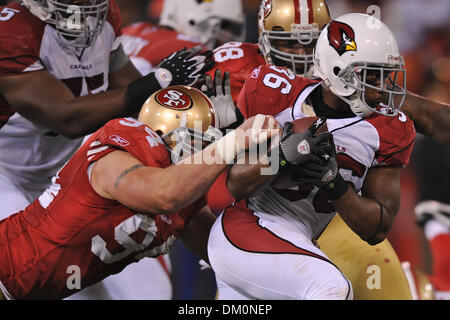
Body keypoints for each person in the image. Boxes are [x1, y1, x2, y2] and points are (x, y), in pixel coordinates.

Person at [0, 0, 214, 300]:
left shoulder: (105, 15)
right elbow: (66, 117)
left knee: (148, 293)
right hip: (5, 171)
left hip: (66, 166)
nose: (85, 5)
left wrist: (187, 102)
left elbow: (132, 94)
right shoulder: (10, 29)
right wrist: (157, 81)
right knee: (25, 283)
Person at [207, 13, 416, 300]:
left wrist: (333, 184)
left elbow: (376, 228)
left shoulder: (390, 128)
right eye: (371, 74)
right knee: (331, 287)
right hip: (246, 227)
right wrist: (282, 156)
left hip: (295, 240)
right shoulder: (275, 93)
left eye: (385, 74)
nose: (382, 87)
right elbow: (233, 186)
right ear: (339, 70)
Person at [0, 85, 279, 300]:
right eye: (200, 143)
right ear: (163, 133)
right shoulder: (119, 147)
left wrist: (276, 161)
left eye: (210, 144)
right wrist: (235, 140)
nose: (204, 154)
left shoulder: (185, 195)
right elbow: (164, 193)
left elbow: (228, 252)